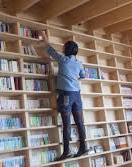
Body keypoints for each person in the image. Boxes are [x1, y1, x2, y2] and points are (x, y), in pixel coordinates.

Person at [31, 31, 88, 161]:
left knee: (67, 124)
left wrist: (45, 40)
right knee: (79, 122)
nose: (62, 49)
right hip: (77, 95)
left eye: (63, 48)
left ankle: (67, 151)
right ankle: (83, 147)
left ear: (66, 50)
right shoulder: (79, 63)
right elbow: (83, 76)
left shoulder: (63, 60)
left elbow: (50, 50)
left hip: (66, 95)